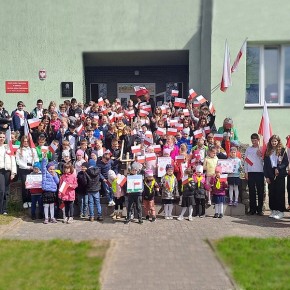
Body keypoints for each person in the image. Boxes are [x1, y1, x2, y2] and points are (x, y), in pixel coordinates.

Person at [264, 135, 289, 220]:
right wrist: (266, 176)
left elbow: (285, 162)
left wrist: (279, 168)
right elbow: (266, 165)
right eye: (272, 141)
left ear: (278, 142)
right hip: (271, 174)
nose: (274, 143)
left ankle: (280, 211)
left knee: (279, 193)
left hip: (279, 175)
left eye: (275, 141)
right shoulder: (268, 151)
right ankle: (274, 209)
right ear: (270, 142)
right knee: (272, 193)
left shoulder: (282, 151)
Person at [15, 135, 39, 208]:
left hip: (32, 169)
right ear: (22, 142)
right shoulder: (19, 150)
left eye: (27, 141)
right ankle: (25, 201)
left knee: (32, 185)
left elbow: (36, 158)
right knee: (25, 185)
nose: (26, 143)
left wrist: (35, 166)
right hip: (23, 169)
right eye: (24, 141)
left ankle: (31, 200)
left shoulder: (32, 149)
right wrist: (27, 167)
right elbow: (18, 161)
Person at [244, 133, 264, 215]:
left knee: (260, 191)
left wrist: (261, 156)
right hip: (251, 172)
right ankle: (252, 209)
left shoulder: (262, 149)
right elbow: (246, 160)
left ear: (258, 140)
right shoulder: (248, 149)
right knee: (251, 191)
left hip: (260, 172)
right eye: (252, 141)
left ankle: (260, 210)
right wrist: (246, 172)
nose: (254, 142)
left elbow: (265, 161)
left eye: (255, 140)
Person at [0, 131, 17, 215]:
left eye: (3, 137)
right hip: (0, 170)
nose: (1, 139)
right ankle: (1, 209)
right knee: (1, 190)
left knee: (6, 190)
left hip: (7, 171)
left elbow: (13, 160)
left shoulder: (8, 148)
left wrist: (13, 172)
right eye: (0, 137)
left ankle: (5, 209)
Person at [41, 156, 59, 224]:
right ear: (47, 169)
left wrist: (54, 175)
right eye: (50, 169)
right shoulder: (45, 173)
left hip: (52, 192)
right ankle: (46, 217)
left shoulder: (55, 174)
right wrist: (44, 159)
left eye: (53, 169)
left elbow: (57, 182)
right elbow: (43, 167)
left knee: (52, 205)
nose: (52, 170)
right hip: (46, 191)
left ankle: (52, 217)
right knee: (46, 206)